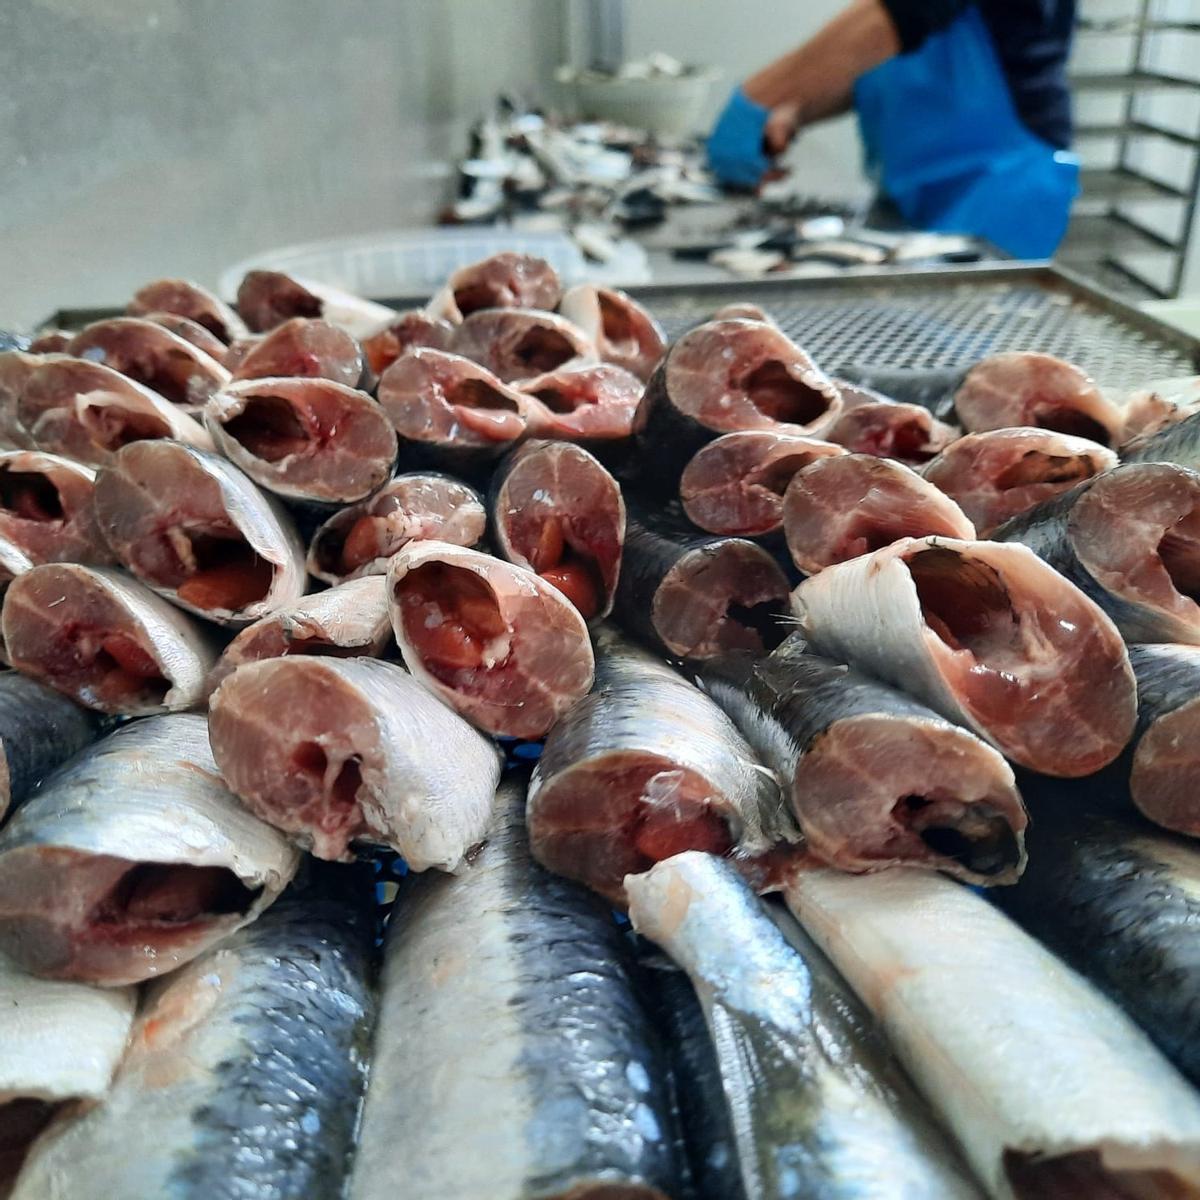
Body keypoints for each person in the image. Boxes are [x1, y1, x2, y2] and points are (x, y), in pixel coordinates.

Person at [706, 0, 1079, 258]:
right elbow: (886, 60)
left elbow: (903, 14)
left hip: (1000, 185)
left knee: (965, 352)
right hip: (910, 190)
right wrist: (798, 108)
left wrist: (761, 97)